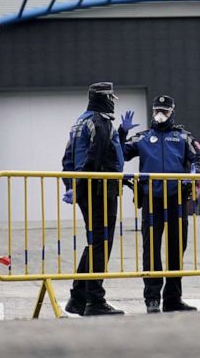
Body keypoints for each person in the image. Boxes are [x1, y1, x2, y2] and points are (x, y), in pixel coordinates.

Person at [120, 95, 200, 313]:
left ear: (172, 111)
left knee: (177, 250)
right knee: (151, 251)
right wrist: (122, 132)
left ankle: (173, 299)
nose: (161, 115)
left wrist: (193, 174)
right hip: (151, 200)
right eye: (158, 110)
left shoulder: (182, 137)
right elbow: (118, 153)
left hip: (177, 199)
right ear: (152, 111)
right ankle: (152, 299)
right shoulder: (142, 137)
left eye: (165, 111)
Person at [60, 82, 126, 317]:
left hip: (87, 190)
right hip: (100, 189)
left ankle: (77, 298)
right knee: (101, 244)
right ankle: (95, 301)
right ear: (105, 98)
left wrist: (72, 186)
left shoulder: (79, 121)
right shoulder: (101, 121)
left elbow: (67, 159)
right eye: (111, 98)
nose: (112, 103)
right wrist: (81, 184)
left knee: (95, 242)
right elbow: (96, 155)